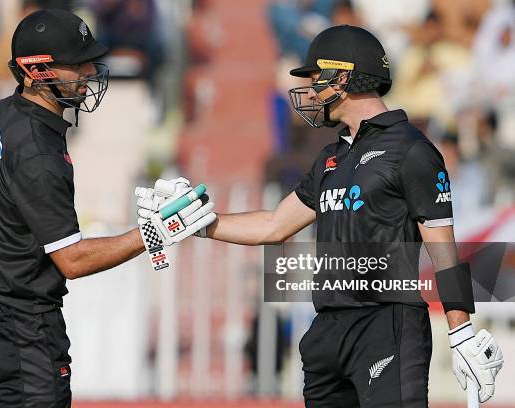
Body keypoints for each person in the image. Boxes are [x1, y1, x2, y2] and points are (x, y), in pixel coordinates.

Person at [137, 25, 504, 406]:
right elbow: (275, 225)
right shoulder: (333, 156)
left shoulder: (411, 149)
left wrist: (461, 330)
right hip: (327, 330)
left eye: (315, 80)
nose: (310, 92)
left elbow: (442, 245)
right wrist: (200, 224)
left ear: (342, 76)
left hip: (386, 325)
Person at [0, 9, 215, 408]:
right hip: (20, 328)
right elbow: (71, 260)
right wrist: (157, 231)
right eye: (76, 64)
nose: (88, 71)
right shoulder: (40, 153)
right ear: (36, 71)